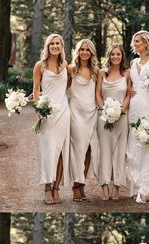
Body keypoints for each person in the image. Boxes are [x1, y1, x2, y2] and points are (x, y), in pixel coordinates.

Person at [33, 34, 70, 204]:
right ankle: (47, 187)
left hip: (63, 112)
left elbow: (67, 85)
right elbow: (35, 90)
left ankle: (56, 188)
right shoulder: (40, 66)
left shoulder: (65, 65)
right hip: (47, 113)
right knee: (48, 150)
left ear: (62, 46)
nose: (55, 46)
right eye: (52, 44)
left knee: (62, 150)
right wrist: (39, 109)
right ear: (47, 46)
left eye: (58, 43)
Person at [96, 44, 131, 200]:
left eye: (118, 54)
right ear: (108, 56)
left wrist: (121, 111)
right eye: (112, 54)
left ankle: (117, 186)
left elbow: (129, 95)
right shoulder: (101, 73)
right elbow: (97, 94)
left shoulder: (127, 73)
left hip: (122, 118)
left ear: (122, 56)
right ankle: (104, 186)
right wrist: (104, 110)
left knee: (119, 152)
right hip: (104, 118)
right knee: (104, 152)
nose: (115, 57)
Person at [126, 30, 149, 203]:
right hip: (133, 108)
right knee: (133, 148)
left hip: (147, 106)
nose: (135, 44)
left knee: (147, 147)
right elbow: (131, 85)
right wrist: (130, 90)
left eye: (138, 41)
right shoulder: (133, 62)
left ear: (146, 43)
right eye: (134, 41)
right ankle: (136, 185)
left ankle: (145, 189)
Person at [68, 40, 99, 202]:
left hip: (91, 113)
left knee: (88, 150)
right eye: (82, 49)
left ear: (92, 52)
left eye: (88, 50)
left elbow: (100, 93)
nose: (85, 52)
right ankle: (75, 186)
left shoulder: (96, 71)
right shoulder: (71, 70)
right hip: (76, 113)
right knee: (77, 150)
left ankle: (82, 183)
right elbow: (60, 87)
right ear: (78, 52)